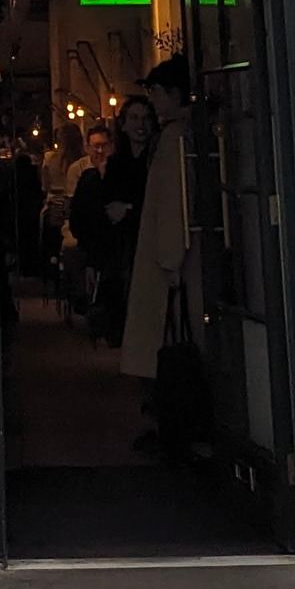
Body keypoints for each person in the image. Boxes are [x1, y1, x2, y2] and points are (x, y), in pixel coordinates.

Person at [120, 59, 193, 389]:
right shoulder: (180, 135)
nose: (152, 100)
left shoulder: (173, 139)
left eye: (156, 92)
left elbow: (171, 199)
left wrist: (170, 257)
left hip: (169, 254)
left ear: (173, 94)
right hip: (174, 250)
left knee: (166, 331)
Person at [70, 94, 153, 343]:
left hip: (148, 244)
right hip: (120, 251)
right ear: (124, 124)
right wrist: (94, 260)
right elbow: (102, 215)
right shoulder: (116, 165)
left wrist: (127, 209)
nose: (140, 124)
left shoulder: (155, 160)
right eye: (134, 118)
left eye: (145, 118)